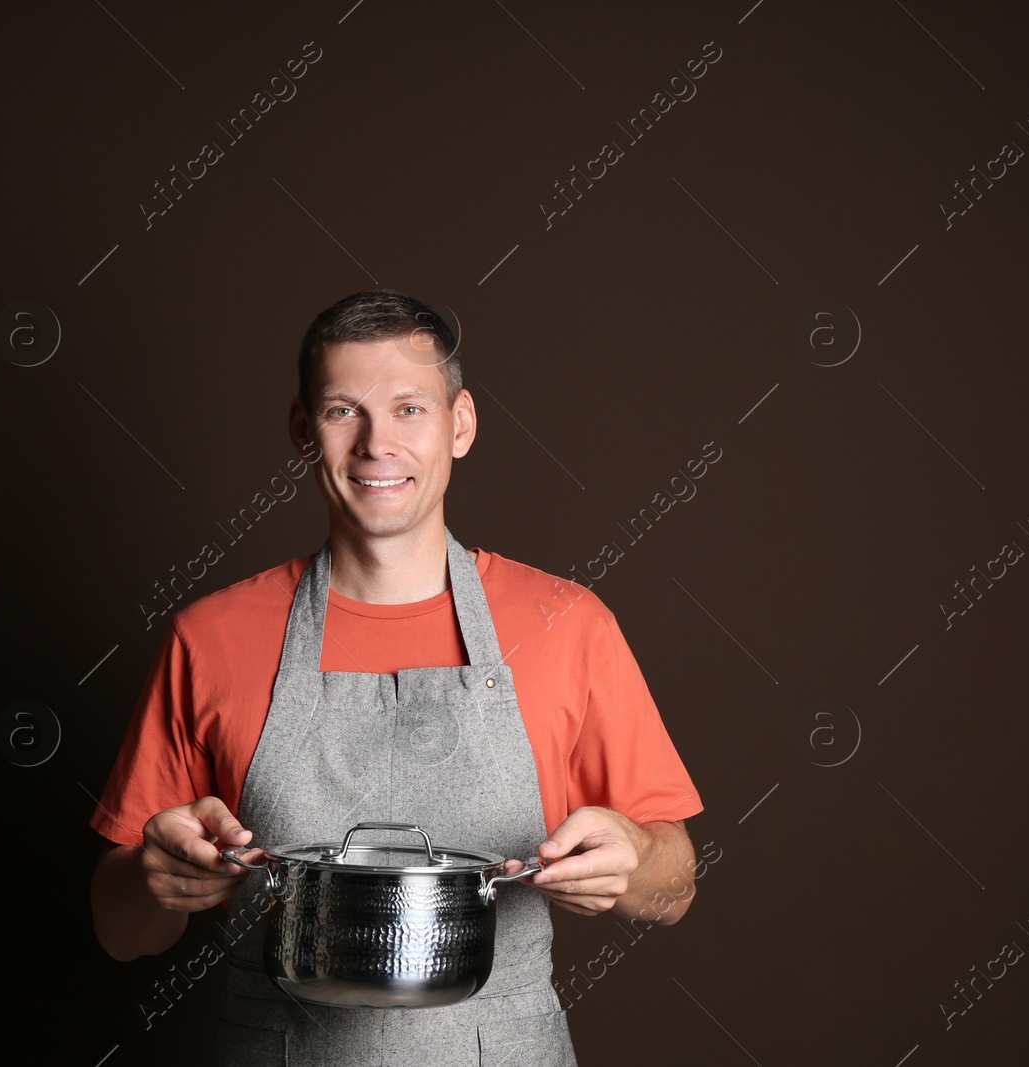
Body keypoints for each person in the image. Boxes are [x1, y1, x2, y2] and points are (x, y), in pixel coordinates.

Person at [88, 289, 704, 1065]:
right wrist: (154, 877)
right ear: (302, 429)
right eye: (345, 410)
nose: (378, 444)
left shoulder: (569, 624)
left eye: (410, 408)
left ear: (462, 424)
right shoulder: (209, 637)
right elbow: (119, 932)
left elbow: (675, 887)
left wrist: (634, 863)